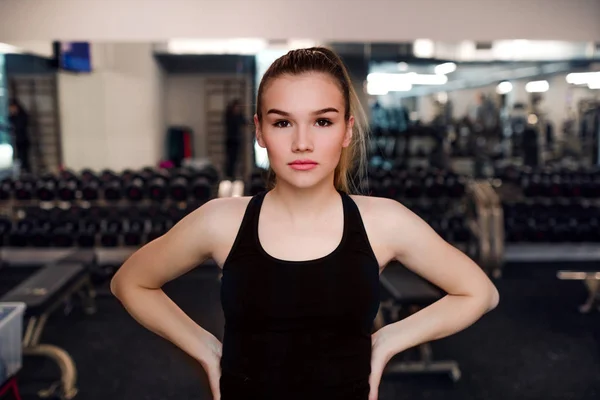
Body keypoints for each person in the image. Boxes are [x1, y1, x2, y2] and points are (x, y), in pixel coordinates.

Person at [111, 47, 499, 400]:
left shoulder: (383, 222)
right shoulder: (221, 220)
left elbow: (479, 292)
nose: (302, 142)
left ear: (347, 130)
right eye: (283, 123)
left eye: (322, 122)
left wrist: (387, 342)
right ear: (259, 131)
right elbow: (130, 282)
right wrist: (206, 349)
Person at [224, 99, 246, 179]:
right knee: (230, 158)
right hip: (230, 140)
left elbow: (244, 121)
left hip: (236, 140)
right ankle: (229, 174)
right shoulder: (230, 116)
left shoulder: (238, 116)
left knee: (235, 158)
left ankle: (232, 174)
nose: (238, 109)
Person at [8, 98, 30, 173]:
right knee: (18, 158)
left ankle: (25, 171)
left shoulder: (22, 115)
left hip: (23, 140)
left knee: (24, 158)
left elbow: (20, 126)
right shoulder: (13, 116)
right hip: (16, 140)